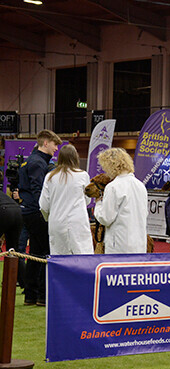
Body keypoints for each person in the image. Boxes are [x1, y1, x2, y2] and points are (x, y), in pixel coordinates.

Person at [18, 129, 62, 306]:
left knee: (36, 253)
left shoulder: (32, 160)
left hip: (28, 211)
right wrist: (47, 212)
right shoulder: (38, 163)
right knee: (45, 254)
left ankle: (31, 295)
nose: (56, 149)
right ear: (46, 143)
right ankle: (43, 296)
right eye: (54, 144)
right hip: (37, 213)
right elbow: (38, 192)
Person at [38, 144, 93, 255]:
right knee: (82, 256)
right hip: (78, 222)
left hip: (57, 223)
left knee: (59, 258)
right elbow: (88, 200)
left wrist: (49, 217)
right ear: (75, 157)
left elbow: (43, 205)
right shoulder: (83, 176)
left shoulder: (50, 177)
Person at [94, 148, 148, 254]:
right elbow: (144, 214)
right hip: (139, 244)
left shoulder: (113, 187)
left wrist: (98, 204)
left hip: (119, 245)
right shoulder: (140, 185)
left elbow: (106, 218)